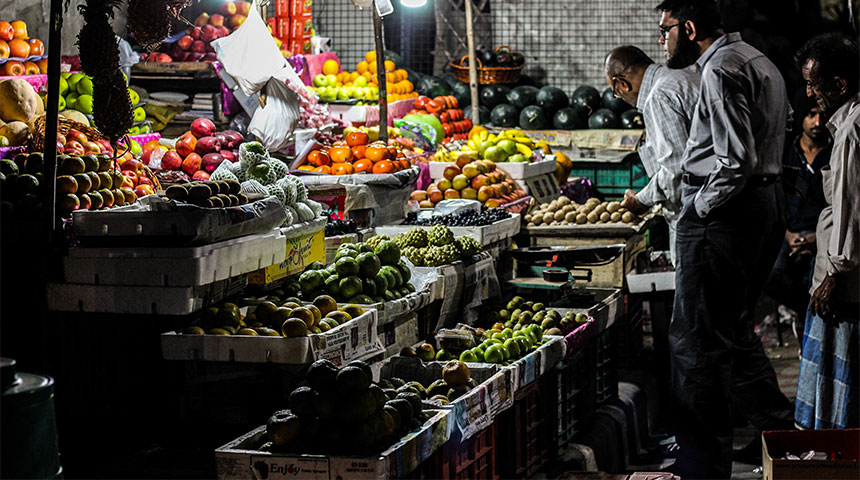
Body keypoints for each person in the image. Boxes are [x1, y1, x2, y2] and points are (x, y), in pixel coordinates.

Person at [655, 1, 795, 477]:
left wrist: (698, 207)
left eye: (665, 30)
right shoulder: (759, 60)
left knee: (695, 342)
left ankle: (699, 466)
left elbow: (734, 161)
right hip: (763, 204)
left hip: (726, 214)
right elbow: (782, 129)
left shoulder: (719, 70)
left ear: (688, 27)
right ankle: (780, 435)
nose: (662, 40)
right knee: (730, 331)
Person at [793, 33, 859, 431]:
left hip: (846, 282)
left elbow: (853, 210)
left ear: (839, 86)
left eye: (814, 84)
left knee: (841, 396)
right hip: (845, 276)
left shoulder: (852, 130)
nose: (809, 94)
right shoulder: (847, 124)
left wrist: (836, 274)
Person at [604, 45, 701, 264]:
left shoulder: (659, 96)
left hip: (695, 220)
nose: (619, 97)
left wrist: (641, 200)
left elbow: (676, 171)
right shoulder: (682, 77)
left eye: (615, 91)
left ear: (622, 84)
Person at [764, 91, 832, 342]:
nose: (817, 122)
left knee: (821, 279)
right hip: (788, 233)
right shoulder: (786, 153)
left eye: (822, 116)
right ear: (801, 118)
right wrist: (788, 235)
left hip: (824, 235)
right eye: (811, 115)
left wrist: (816, 238)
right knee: (770, 275)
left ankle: (810, 329)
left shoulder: (834, 152)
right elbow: (772, 198)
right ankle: (806, 315)